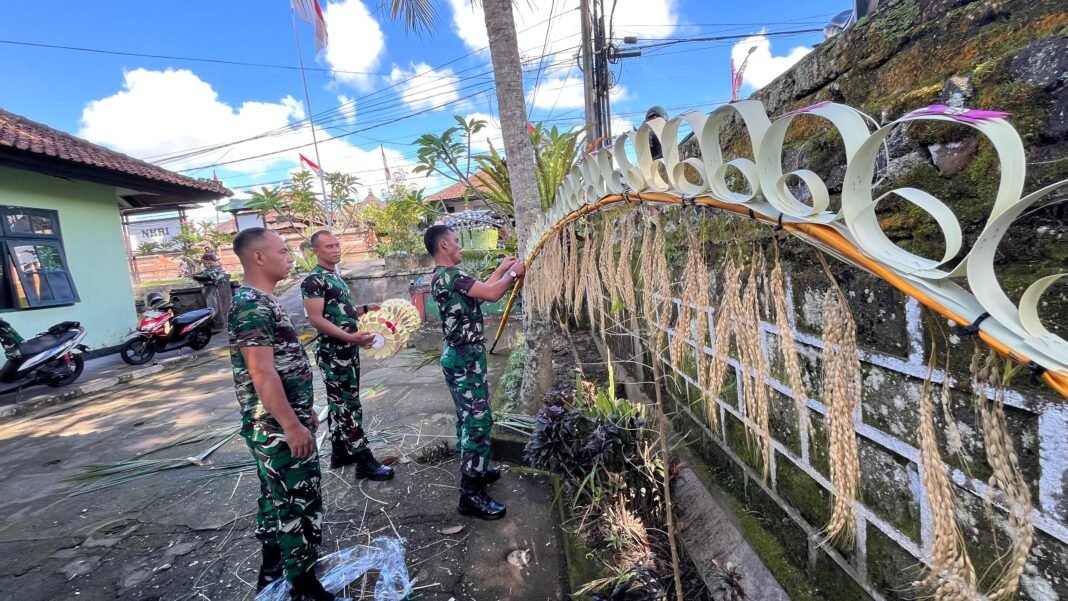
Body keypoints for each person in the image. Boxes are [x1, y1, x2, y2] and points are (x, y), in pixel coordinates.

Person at [228, 227, 334, 601]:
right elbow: (261, 372)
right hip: (276, 429)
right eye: (283, 250)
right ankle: (303, 586)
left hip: (281, 422)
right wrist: (291, 424)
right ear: (259, 257)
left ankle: (273, 567)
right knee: (298, 503)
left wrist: (304, 414)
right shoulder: (252, 306)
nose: (290, 257)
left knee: (275, 499)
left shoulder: (261, 301)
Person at [423, 225, 525, 520]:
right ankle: (470, 495)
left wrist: (502, 269)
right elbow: (493, 294)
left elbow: (480, 293)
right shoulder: (451, 276)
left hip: (460, 356)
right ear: (443, 245)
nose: (460, 246)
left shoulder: (444, 278)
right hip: (464, 358)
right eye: (456, 241)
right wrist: (513, 273)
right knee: (479, 422)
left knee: (467, 418)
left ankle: (476, 468)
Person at [300, 230, 393, 481]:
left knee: (340, 402)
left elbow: (341, 312)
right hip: (333, 353)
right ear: (315, 251)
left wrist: (364, 309)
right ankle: (364, 460)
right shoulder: (313, 281)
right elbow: (316, 319)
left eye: (337, 244)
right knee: (348, 405)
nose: (336, 249)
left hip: (347, 351)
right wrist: (351, 337)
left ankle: (340, 452)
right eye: (328, 246)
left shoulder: (335, 277)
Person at [194, 251, 231, 332]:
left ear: (210, 261)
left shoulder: (216, 270)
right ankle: (216, 322)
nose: (204, 264)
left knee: (214, 307)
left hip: (215, 290)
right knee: (212, 306)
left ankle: (218, 323)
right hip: (211, 289)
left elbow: (217, 278)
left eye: (205, 262)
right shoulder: (210, 270)